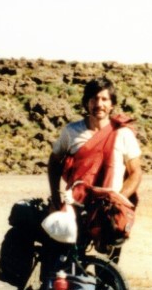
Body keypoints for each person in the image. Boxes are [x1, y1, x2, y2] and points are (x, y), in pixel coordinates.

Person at [47, 77, 143, 229]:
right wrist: (55, 197)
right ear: (86, 102)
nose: (99, 104)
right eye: (94, 99)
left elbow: (135, 172)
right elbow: (54, 162)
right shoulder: (71, 131)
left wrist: (119, 200)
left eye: (104, 99)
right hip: (76, 203)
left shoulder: (123, 134)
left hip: (107, 209)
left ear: (112, 104)